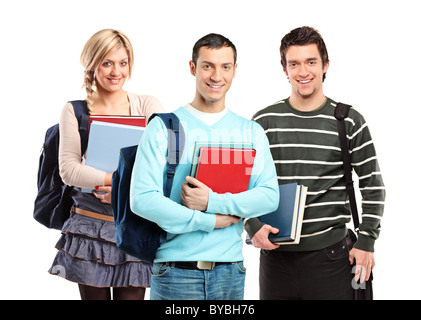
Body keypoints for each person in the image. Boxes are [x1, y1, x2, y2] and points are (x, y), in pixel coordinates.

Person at [130, 33, 279, 300]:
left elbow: (269, 196)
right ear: (192, 68)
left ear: (235, 70)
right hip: (176, 273)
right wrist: (209, 221)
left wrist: (212, 201)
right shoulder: (165, 127)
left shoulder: (251, 132)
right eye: (207, 65)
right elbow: (142, 199)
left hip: (230, 272)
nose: (216, 76)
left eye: (225, 67)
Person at [245, 26, 386, 300]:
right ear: (284, 69)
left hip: (331, 258)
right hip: (276, 258)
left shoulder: (349, 121)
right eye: (294, 63)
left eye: (311, 62)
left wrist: (367, 240)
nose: (303, 71)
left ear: (325, 66)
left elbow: (373, 186)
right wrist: (251, 224)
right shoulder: (262, 122)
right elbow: (242, 183)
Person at [48, 29, 165, 300]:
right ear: (92, 65)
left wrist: (119, 187)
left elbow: (161, 166)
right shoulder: (75, 110)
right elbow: (69, 170)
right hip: (91, 225)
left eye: (123, 63)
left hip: (134, 224)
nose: (116, 71)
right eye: (107, 62)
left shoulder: (147, 105)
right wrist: (123, 180)